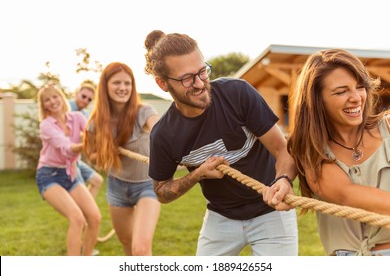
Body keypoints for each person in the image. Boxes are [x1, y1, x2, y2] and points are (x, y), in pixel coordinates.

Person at [144, 30, 298, 256]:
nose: (199, 84)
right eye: (187, 78)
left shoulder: (237, 93)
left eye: (202, 72)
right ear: (162, 84)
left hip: (271, 211)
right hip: (221, 216)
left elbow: (282, 149)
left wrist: (284, 179)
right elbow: (162, 192)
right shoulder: (163, 135)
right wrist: (198, 175)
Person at [287, 48, 390, 256]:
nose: (356, 98)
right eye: (341, 91)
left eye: (360, 87)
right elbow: (345, 194)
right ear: (317, 100)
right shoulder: (313, 152)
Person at [83, 62, 161, 256]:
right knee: (127, 243)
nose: (123, 88)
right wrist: (106, 153)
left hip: (148, 186)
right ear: (105, 86)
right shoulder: (97, 122)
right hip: (117, 188)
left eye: (128, 83)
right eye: (117, 82)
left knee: (141, 249)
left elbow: (162, 133)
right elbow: (91, 156)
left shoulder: (144, 112)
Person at [36, 83, 101, 256]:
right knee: (77, 219)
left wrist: (101, 140)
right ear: (43, 105)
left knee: (94, 218)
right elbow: (66, 147)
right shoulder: (46, 125)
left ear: (61, 97)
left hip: (71, 173)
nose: (52, 101)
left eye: (55, 96)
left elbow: (91, 132)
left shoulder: (77, 117)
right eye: (47, 100)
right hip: (49, 175)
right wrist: (87, 144)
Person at [69, 82, 103, 199]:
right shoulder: (65, 108)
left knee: (97, 181)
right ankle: (83, 211)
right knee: (80, 192)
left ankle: (84, 212)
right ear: (76, 93)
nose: (85, 101)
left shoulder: (85, 114)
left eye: (89, 100)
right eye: (83, 96)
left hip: (76, 160)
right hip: (65, 162)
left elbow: (90, 135)